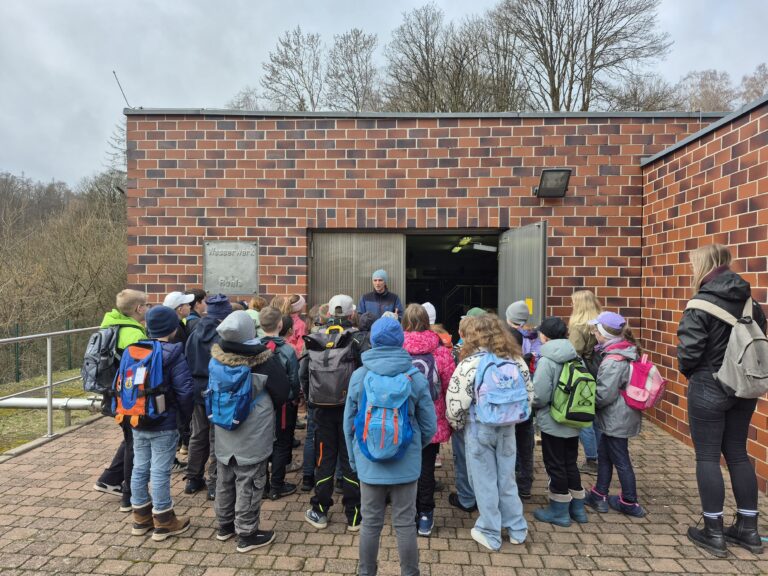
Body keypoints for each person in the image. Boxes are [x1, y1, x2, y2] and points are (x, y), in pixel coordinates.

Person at [678, 244, 766, 557]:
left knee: (707, 456)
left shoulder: (700, 303)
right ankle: (748, 529)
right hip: (743, 387)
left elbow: (688, 353)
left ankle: (713, 532)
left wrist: (693, 372)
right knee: (738, 454)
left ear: (703, 265)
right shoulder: (750, 302)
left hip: (708, 385)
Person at [343, 316, 437, 576]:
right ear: (400, 340)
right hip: (406, 462)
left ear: (373, 340)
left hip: (369, 460)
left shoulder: (360, 375)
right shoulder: (414, 376)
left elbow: (348, 423)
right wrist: (413, 446)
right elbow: (429, 425)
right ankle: (409, 572)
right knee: (405, 523)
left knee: (370, 523)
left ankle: (366, 572)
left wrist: (355, 458)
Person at [445, 314, 529, 551]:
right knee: (507, 478)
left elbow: (456, 401)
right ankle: (517, 528)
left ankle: (490, 530)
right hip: (508, 428)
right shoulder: (515, 359)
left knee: (483, 481)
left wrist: (458, 424)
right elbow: (529, 394)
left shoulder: (470, 363)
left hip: (479, 427)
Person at [209, 310, 290, 552]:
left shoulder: (216, 358)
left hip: (224, 426)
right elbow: (283, 391)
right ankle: (247, 533)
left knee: (225, 475)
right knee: (251, 479)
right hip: (254, 429)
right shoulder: (264, 359)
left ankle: (224, 526)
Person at [129, 305, 194, 542]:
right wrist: (184, 418)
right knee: (159, 470)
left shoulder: (135, 349)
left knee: (139, 467)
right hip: (164, 421)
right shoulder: (174, 353)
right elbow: (185, 390)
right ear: (172, 328)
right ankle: (164, 520)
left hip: (136, 417)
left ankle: (140, 517)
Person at [300, 294, 362, 530]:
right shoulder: (356, 339)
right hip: (349, 410)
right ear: (351, 314)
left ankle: (320, 510)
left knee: (324, 460)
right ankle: (354, 515)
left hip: (321, 411)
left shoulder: (316, 338)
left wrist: (311, 399)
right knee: (349, 460)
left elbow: (302, 373)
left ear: (329, 313)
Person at [584, 311, 646, 519]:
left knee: (620, 458)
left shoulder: (612, 359)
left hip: (615, 416)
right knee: (605, 455)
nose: (594, 333)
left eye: (596, 330)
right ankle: (599, 493)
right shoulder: (628, 350)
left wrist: (588, 403)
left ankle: (630, 501)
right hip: (622, 414)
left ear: (604, 334)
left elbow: (604, 394)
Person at [401, 303, 456, 537]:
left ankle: (405, 513)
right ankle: (425, 515)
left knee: (403, 466)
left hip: (402, 416)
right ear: (427, 322)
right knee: (426, 469)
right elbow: (449, 384)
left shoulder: (396, 348)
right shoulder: (440, 350)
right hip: (429, 419)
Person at [93, 289, 149, 513]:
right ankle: (129, 496)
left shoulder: (110, 326)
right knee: (135, 444)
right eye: (145, 305)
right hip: (129, 397)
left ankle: (109, 479)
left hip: (114, 394)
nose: (147, 308)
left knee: (129, 438)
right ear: (138, 309)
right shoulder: (134, 335)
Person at [531, 316, 587, 527]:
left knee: (555, 465)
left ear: (544, 336)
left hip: (553, 420)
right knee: (570, 463)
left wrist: (532, 403)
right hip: (574, 418)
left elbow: (540, 395)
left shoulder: (547, 360)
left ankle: (559, 511)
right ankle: (578, 508)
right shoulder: (576, 356)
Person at [184, 294, 232, 500]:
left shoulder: (194, 333)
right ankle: (214, 483)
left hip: (196, 388)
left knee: (197, 434)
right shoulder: (224, 336)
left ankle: (193, 478)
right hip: (217, 390)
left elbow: (186, 358)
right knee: (216, 438)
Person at [259, 306, 300, 500]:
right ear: (281, 324)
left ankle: (263, 484)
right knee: (282, 443)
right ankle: (277, 485)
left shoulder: (253, 347)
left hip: (259, 404)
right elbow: (294, 379)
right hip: (283, 406)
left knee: (263, 441)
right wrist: (293, 398)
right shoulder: (287, 350)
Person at [568, 290, 603, 476]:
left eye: (573, 303)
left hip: (585, 377)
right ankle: (600, 456)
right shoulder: (600, 323)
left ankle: (591, 460)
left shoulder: (578, 326)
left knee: (585, 419)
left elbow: (574, 353)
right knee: (597, 418)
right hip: (601, 373)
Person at [504, 301, 536, 500]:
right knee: (526, 442)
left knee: (510, 440)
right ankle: (525, 482)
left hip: (511, 397)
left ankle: (511, 479)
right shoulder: (534, 337)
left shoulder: (507, 337)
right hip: (527, 395)